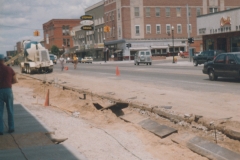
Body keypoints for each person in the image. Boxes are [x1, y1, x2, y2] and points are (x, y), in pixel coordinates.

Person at [0, 54, 18, 135]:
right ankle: (11, 128)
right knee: (10, 110)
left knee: (0, 112)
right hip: (8, 90)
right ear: (3, 60)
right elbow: (15, 80)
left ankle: (0, 130)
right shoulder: (9, 69)